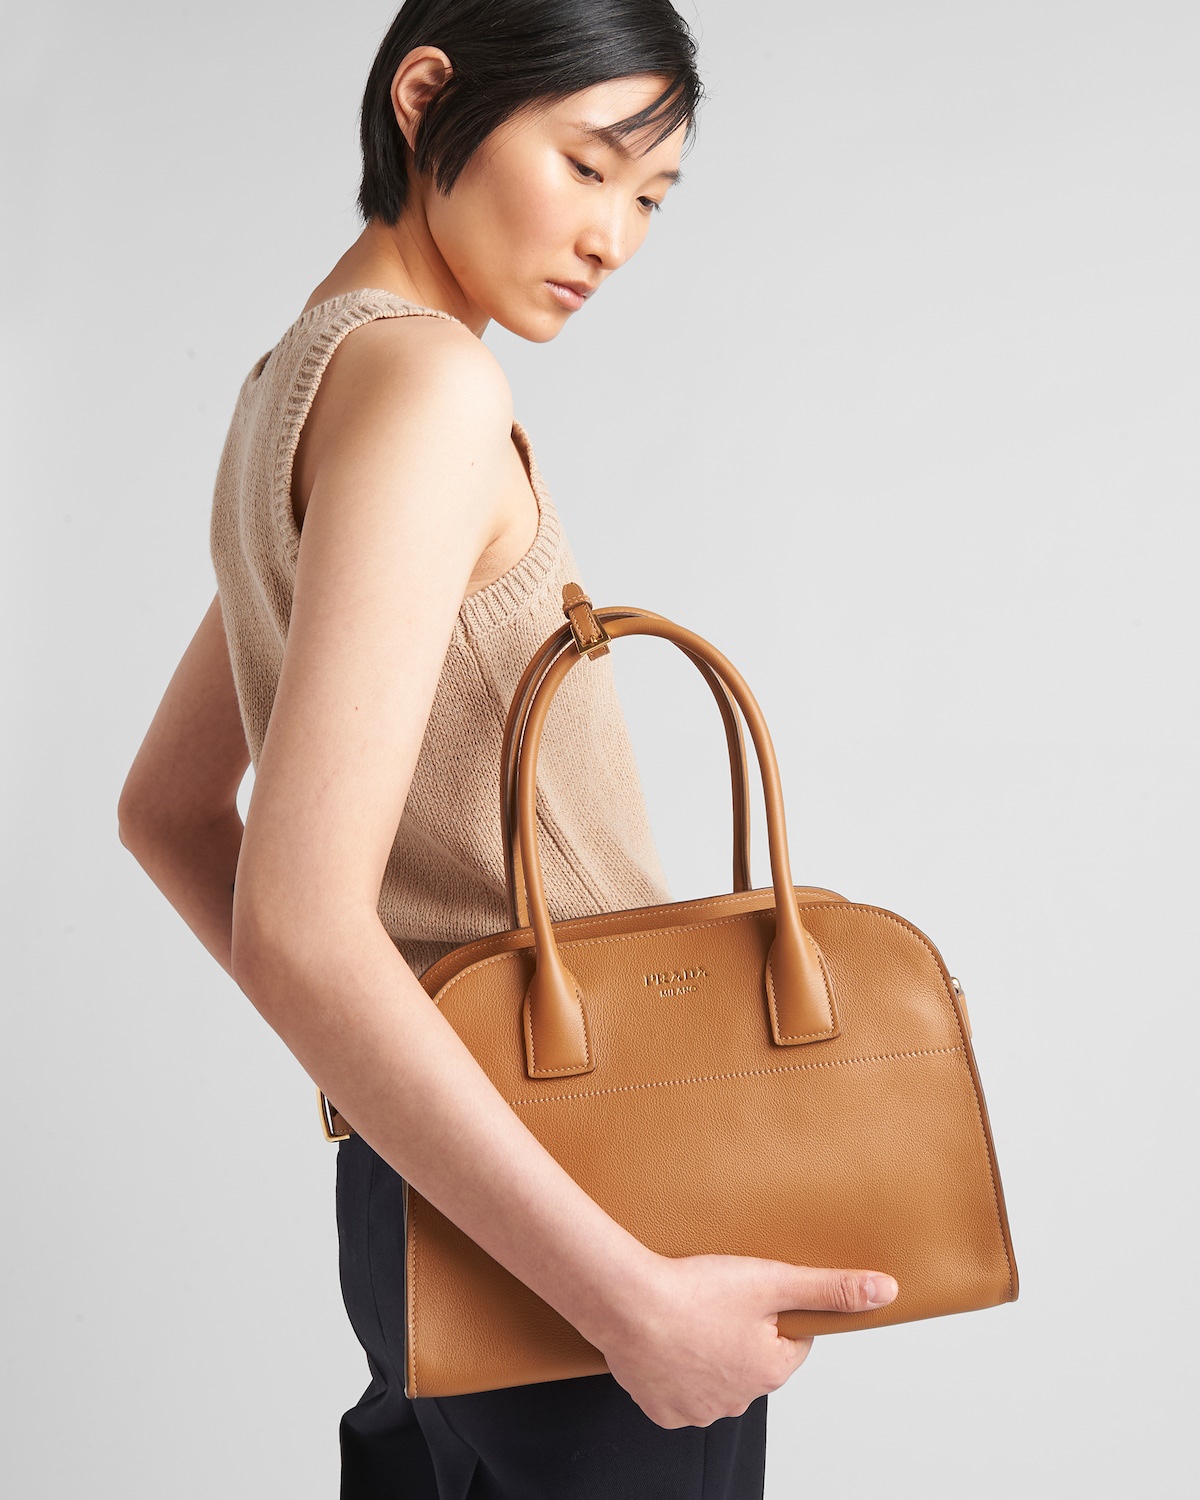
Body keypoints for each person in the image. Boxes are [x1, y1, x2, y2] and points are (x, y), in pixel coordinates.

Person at [117, 2, 900, 1495]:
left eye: (652, 196)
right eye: (588, 164)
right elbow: (294, 922)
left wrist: (387, 1083)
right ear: (426, 99)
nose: (615, 237)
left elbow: (169, 812)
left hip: (436, 1198)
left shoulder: (293, 386)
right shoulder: (431, 390)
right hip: (582, 1212)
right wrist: (630, 1300)